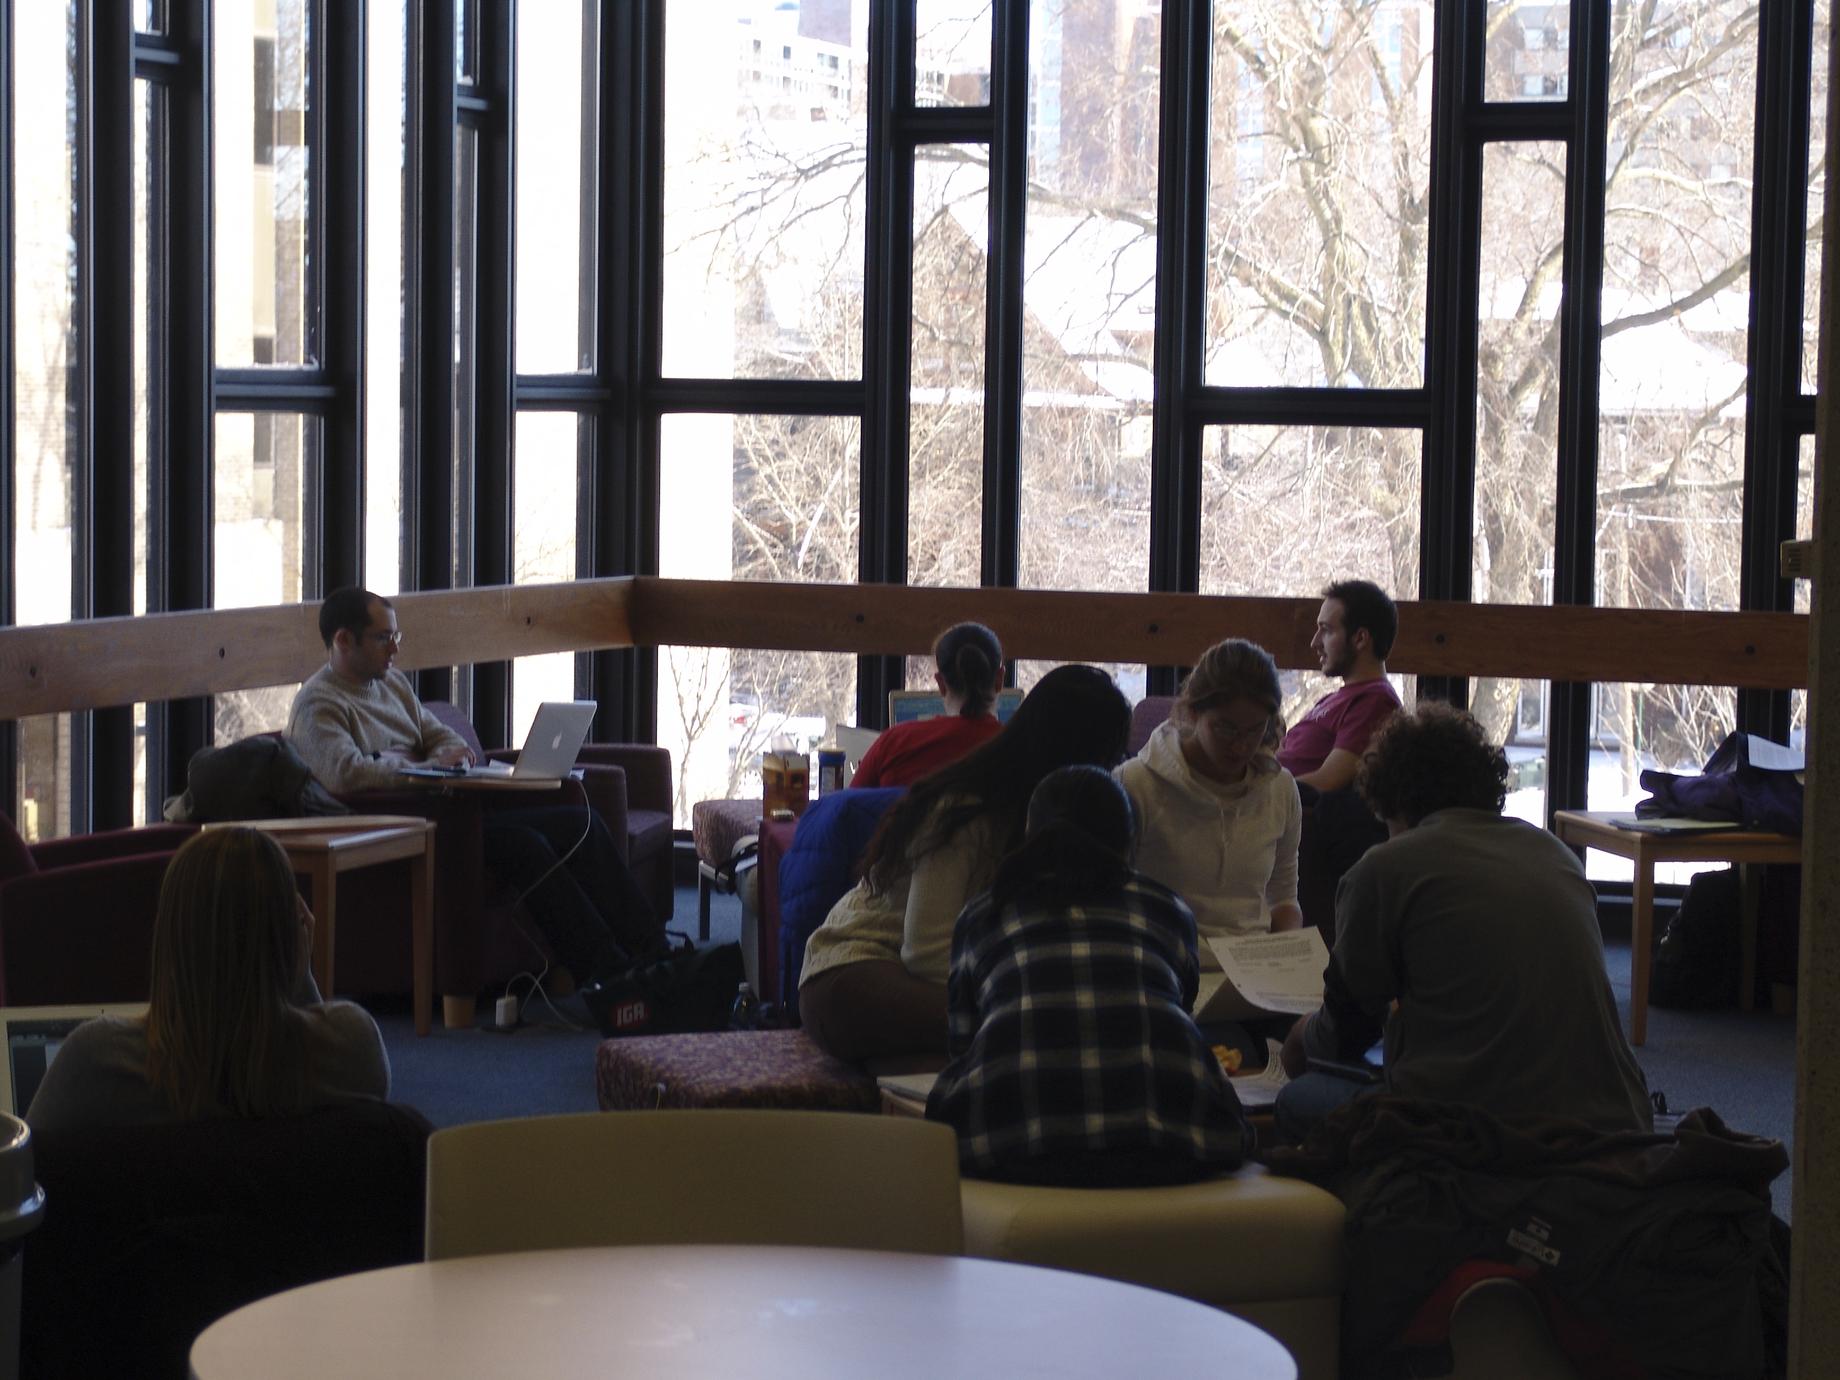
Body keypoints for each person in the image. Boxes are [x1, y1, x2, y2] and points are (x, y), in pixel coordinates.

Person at [287, 587, 664, 1031]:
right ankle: (608, 972)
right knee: (526, 844)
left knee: (579, 821)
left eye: (396, 637)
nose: (394, 648)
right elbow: (344, 773)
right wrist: (423, 764)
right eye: (382, 638)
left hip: (453, 817)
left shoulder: (391, 684)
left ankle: (652, 952)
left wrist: (435, 757)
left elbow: (444, 736)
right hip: (407, 830)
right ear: (343, 641)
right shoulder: (318, 704)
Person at [1274, 703, 1652, 1139]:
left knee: (1297, 1103)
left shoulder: (1386, 867)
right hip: (1616, 1118)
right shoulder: (1554, 853)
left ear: (1388, 800)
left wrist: (1299, 1038)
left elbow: (1346, 1030)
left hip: (1477, 1126)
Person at [927, 766, 1252, 1185]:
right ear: (1130, 840)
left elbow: (962, 1043)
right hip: (1170, 1149)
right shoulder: (1168, 908)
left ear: (1031, 832)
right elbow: (1178, 1014)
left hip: (1012, 1148)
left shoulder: (984, 912)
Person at [800, 664, 1132, 1062]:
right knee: (1033, 1025)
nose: (1111, 770)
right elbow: (926, 954)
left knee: (1054, 1019)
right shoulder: (966, 811)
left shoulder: (1056, 810)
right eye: (1107, 756)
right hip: (860, 970)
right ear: (1070, 751)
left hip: (940, 980)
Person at [27, 828, 390, 1132]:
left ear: (170, 937)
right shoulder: (353, 1051)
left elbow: (23, 1179)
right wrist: (300, 980)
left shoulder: (98, 1061)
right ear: (292, 939)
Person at [1116, 638, 1302, 939]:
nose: (1241, 745)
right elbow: (1112, 899)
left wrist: (1287, 955)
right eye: (1225, 728)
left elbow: (1283, 899)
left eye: (1255, 730)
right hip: (1168, 965)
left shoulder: (1280, 790)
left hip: (1254, 967)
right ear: (1192, 712)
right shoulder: (1136, 784)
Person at [1276, 579, 1401, 797]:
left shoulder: (1375, 701)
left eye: (1326, 630)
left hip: (1287, 816)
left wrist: (1255, 795)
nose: (1315, 642)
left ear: (1360, 639)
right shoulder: (1336, 698)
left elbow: (1327, 782)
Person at [851, 622, 1004, 788]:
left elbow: (847, 807)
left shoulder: (894, 744)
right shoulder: (1021, 751)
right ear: (999, 680)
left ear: (941, 684)